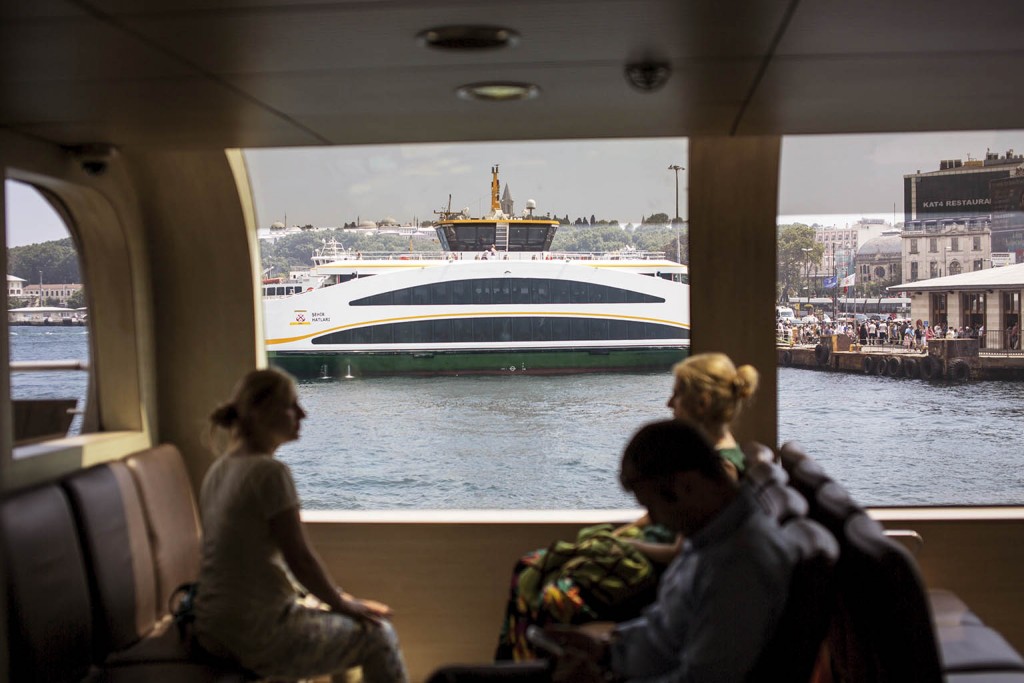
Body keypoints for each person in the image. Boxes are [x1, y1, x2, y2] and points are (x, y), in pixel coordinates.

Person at [494, 353, 760, 660]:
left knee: (547, 591)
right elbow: (652, 521)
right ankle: (518, 668)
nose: (669, 404)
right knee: (529, 567)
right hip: (639, 559)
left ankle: (525, 667)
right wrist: (615, 538)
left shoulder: (714, 472)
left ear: (701, 403)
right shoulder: (702, 461)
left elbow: (677, 552)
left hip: (646, 574)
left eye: (677, 394)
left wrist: (624, 542)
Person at [193, 368, 409, 683]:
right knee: (378, 636)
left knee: (338, 616)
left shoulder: (219, 470)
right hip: (255, 633)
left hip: (212, 627)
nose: (303, 414)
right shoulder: (269, 473)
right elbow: (301, 560)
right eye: (292, 406)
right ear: (261, 412)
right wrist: (343, 603)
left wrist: (338, 602)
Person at [541, 420, 798, 683]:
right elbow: (665, 630)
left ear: (686, 486)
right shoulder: (709, 537)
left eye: (652, 506)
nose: (653, 518)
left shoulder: (738, 567)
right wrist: (606, 649)